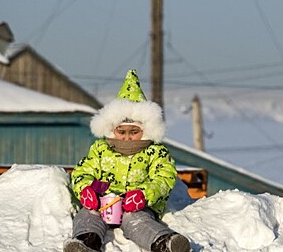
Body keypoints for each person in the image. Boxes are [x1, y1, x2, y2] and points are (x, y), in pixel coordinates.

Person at [64, 69, 191, 252]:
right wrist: (86, 190)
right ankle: (85, 243)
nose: (127, 138)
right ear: (111, 129)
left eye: (134, 132)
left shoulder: (155, 152)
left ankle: (165, 242)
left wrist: (144, 195)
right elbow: (83, 171)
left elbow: (164, 178)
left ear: (146, 130)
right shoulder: (101, 150)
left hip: (136, 205)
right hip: (102, 202)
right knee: (87, 216)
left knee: (138, 221)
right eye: (121, 132)